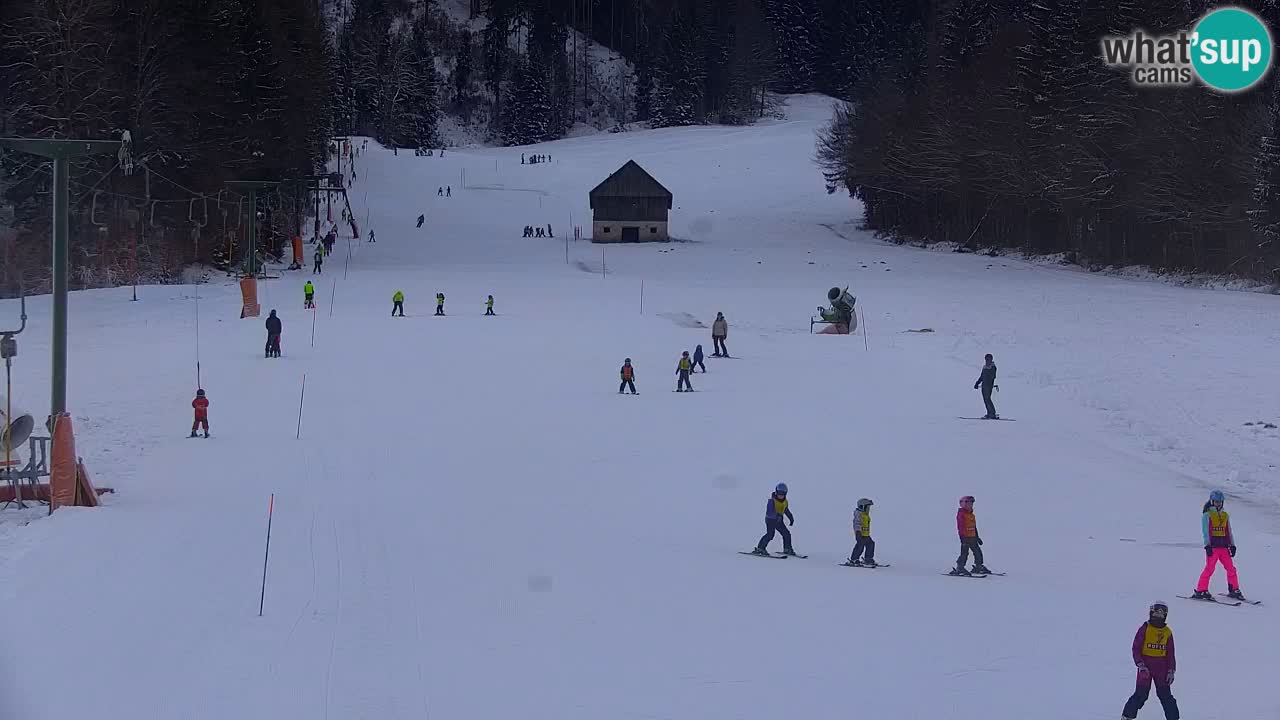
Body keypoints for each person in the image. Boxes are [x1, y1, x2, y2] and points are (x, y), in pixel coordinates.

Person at [1121, 601, 1179, 720]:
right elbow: (1136, 648)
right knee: (1141, 694)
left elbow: (1170, 653)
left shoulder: (1167, 632)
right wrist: (1140, 665)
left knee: (1165, 695)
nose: (1158, 618)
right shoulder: (1145, 629)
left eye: (1161, 616)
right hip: (1146, 667)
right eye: (1155, 615)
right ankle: (1127, 716)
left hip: (1161, 668)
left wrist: (1171, 670)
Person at [1192, 489, 1244, 601]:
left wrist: (1232, 545)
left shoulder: (1225, 515)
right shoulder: (1207, 515)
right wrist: (1207, 545)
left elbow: (1228, 531)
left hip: (1224, 547)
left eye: (1220, 502)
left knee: (1231, 568)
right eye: (1216, 501)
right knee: (1209, 569)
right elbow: (1205, 531)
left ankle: (1234, 589)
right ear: (1211, 501)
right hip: (1213, 547)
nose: (1218, 504)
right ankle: (1201, 590)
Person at [951, 495, 992, 575]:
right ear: (963, 504)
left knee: (977, 552)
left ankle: (979, 566)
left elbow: (974, 527)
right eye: (969, 504)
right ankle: (960, 567)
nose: (971, 505)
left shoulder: (971, 515)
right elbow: (961, 526)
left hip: (972, 537)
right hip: (965, 537)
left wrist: (977, 537)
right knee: (964, 553)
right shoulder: (961, 514)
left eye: (972, 504)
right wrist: (962, 537)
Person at [752, 483, 797, 556]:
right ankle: (760, 548)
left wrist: (791, 518)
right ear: (776, 492)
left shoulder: (785, 502)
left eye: (783, 494)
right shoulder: (771, 501)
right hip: (770, 520)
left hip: (779, 521)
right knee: (770, 535)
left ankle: (787, 549)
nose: (781, 496)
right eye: (779, 494)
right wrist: (777, 515)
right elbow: (770, 512)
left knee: (786, 534)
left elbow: (786, 510)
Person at [848, 498, 876, 566]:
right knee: (860, 545)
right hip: (860, 534)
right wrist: (858, 532)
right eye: (867, 507)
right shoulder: (859, 514)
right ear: (862, 506)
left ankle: (868, 559)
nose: (868, 509)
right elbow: (857, 523)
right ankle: (854, 559)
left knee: (871, 544)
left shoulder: (865, 514)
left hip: (866, 534)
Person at [974, 353, 998, 419]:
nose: (987, 360)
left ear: (991, 359)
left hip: (988, 386)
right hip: (984, 386)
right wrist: (977, 383)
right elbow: (981, 376)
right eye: (986, 359)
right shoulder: (985, 367)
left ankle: (992, 413)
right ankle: (989, 413)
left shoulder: (993, 367)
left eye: (988, 359)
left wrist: (989, 383)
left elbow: (993, 376)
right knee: (985, 400)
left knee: (987, 399)